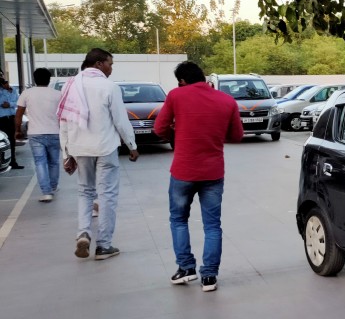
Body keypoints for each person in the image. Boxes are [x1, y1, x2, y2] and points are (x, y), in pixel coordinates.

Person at [154, 61, 243, 292]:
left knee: (178, 220)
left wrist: (175, 131)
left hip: (183, 172)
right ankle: (210, 277)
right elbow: (236, 135)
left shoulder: (176, 96)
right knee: (212, 225)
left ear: (182, 81)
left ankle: (186, 269)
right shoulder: (227, 100)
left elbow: (159, 129)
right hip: (213, 172)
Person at [58, 48, 139, 260]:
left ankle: (83, 232)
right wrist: (132, 145)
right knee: (107, 195)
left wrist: (66, 153)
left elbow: (64, 122)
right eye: (110, 64)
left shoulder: (70, 85)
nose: (111, 69)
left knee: (85, 191)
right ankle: (104, 245)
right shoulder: (108, 86)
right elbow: (120, 120)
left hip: (79, 148)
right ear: (99, 63)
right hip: (105, 147)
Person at [15, 68, 61, 201]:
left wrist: (17, 130)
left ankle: (46, 192)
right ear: (49, 79)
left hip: (35, 134)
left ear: (34, 79)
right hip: (54, 132)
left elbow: (19, 114)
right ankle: (53, 186)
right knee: (54, 162)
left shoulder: (27, 93)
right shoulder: (57, 94)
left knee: (40, 162)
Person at [0, 76, 25, 169]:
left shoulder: (12, 90)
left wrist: (9, 104)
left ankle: (13, 162)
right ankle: (3, 162)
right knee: (3, 141)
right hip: (1, 119)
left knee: (12, 140)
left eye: (4, 80)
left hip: (11, 118)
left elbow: (17, 102)